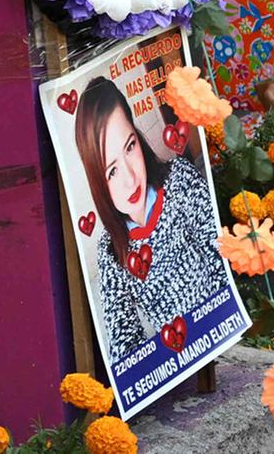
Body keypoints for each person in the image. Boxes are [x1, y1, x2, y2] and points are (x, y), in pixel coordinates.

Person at [71, 75, 234, 362]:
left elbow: (221, 261)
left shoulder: (179, 180)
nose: (130, 178)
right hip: (175, 361)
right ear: (97, 180)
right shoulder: (110, 252)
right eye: (111, 171)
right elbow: (123, 342)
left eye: (129, 147)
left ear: (137, 135)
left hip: (221, 336)